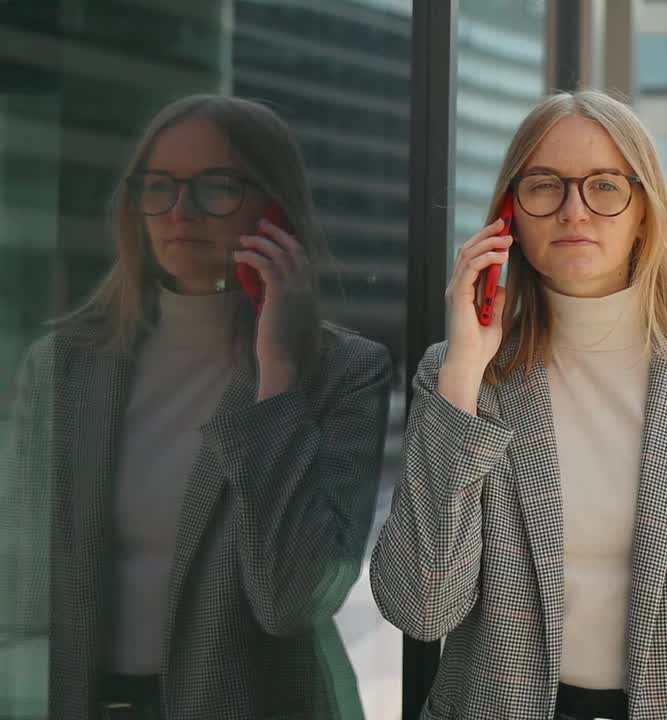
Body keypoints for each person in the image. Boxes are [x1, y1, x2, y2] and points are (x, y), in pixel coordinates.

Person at [371, 90, 667, 720]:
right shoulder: (460, 373)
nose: (574, 211)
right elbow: (422, 607)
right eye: (545, 186)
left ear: (645, 210)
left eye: (605, 186)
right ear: (510, 213)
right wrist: (463, 372)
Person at [0, 94, 391, 719]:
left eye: (216, 187)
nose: (180, 211)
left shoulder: (343, 373)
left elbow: (291, 600)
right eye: (159, 187)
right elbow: (18, 602)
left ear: (274, 208)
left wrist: (278, 373)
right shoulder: (63, 365)